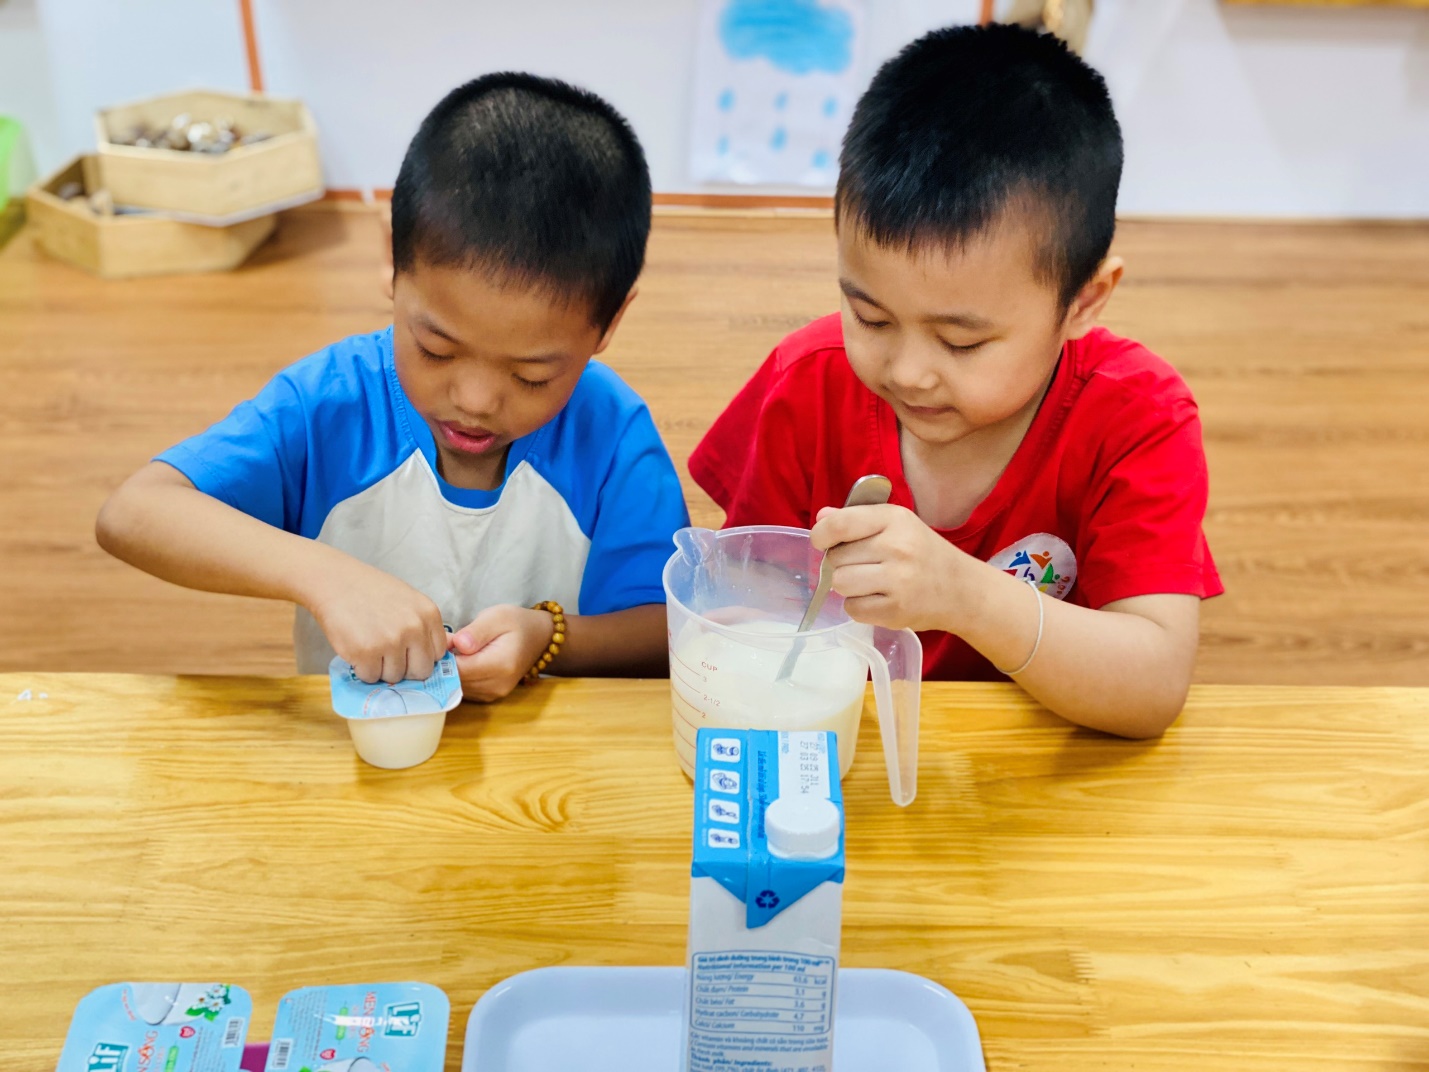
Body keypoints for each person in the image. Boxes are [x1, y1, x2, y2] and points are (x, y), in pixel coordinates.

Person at [689, 25, 1221, 738]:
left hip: (1040, 781)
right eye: (870, 317)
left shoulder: (1137, 417)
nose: (907, 372)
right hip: (846, 745)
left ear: (1084, 301)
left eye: (961, 340)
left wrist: (966, 596)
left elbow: (1151, 686)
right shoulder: (805, 381)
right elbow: (751, 592)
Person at [97, 73, 689, 702]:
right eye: (437, 349)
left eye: (531, 376)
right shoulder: (329, 403)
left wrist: (548, 637)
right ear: (391, 258)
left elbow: (668, 635)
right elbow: (134, 514)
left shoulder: (612, 432)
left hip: (543, 772)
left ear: (610, 324)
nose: (476, 400)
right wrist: (325, 576)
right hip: (355, 757)